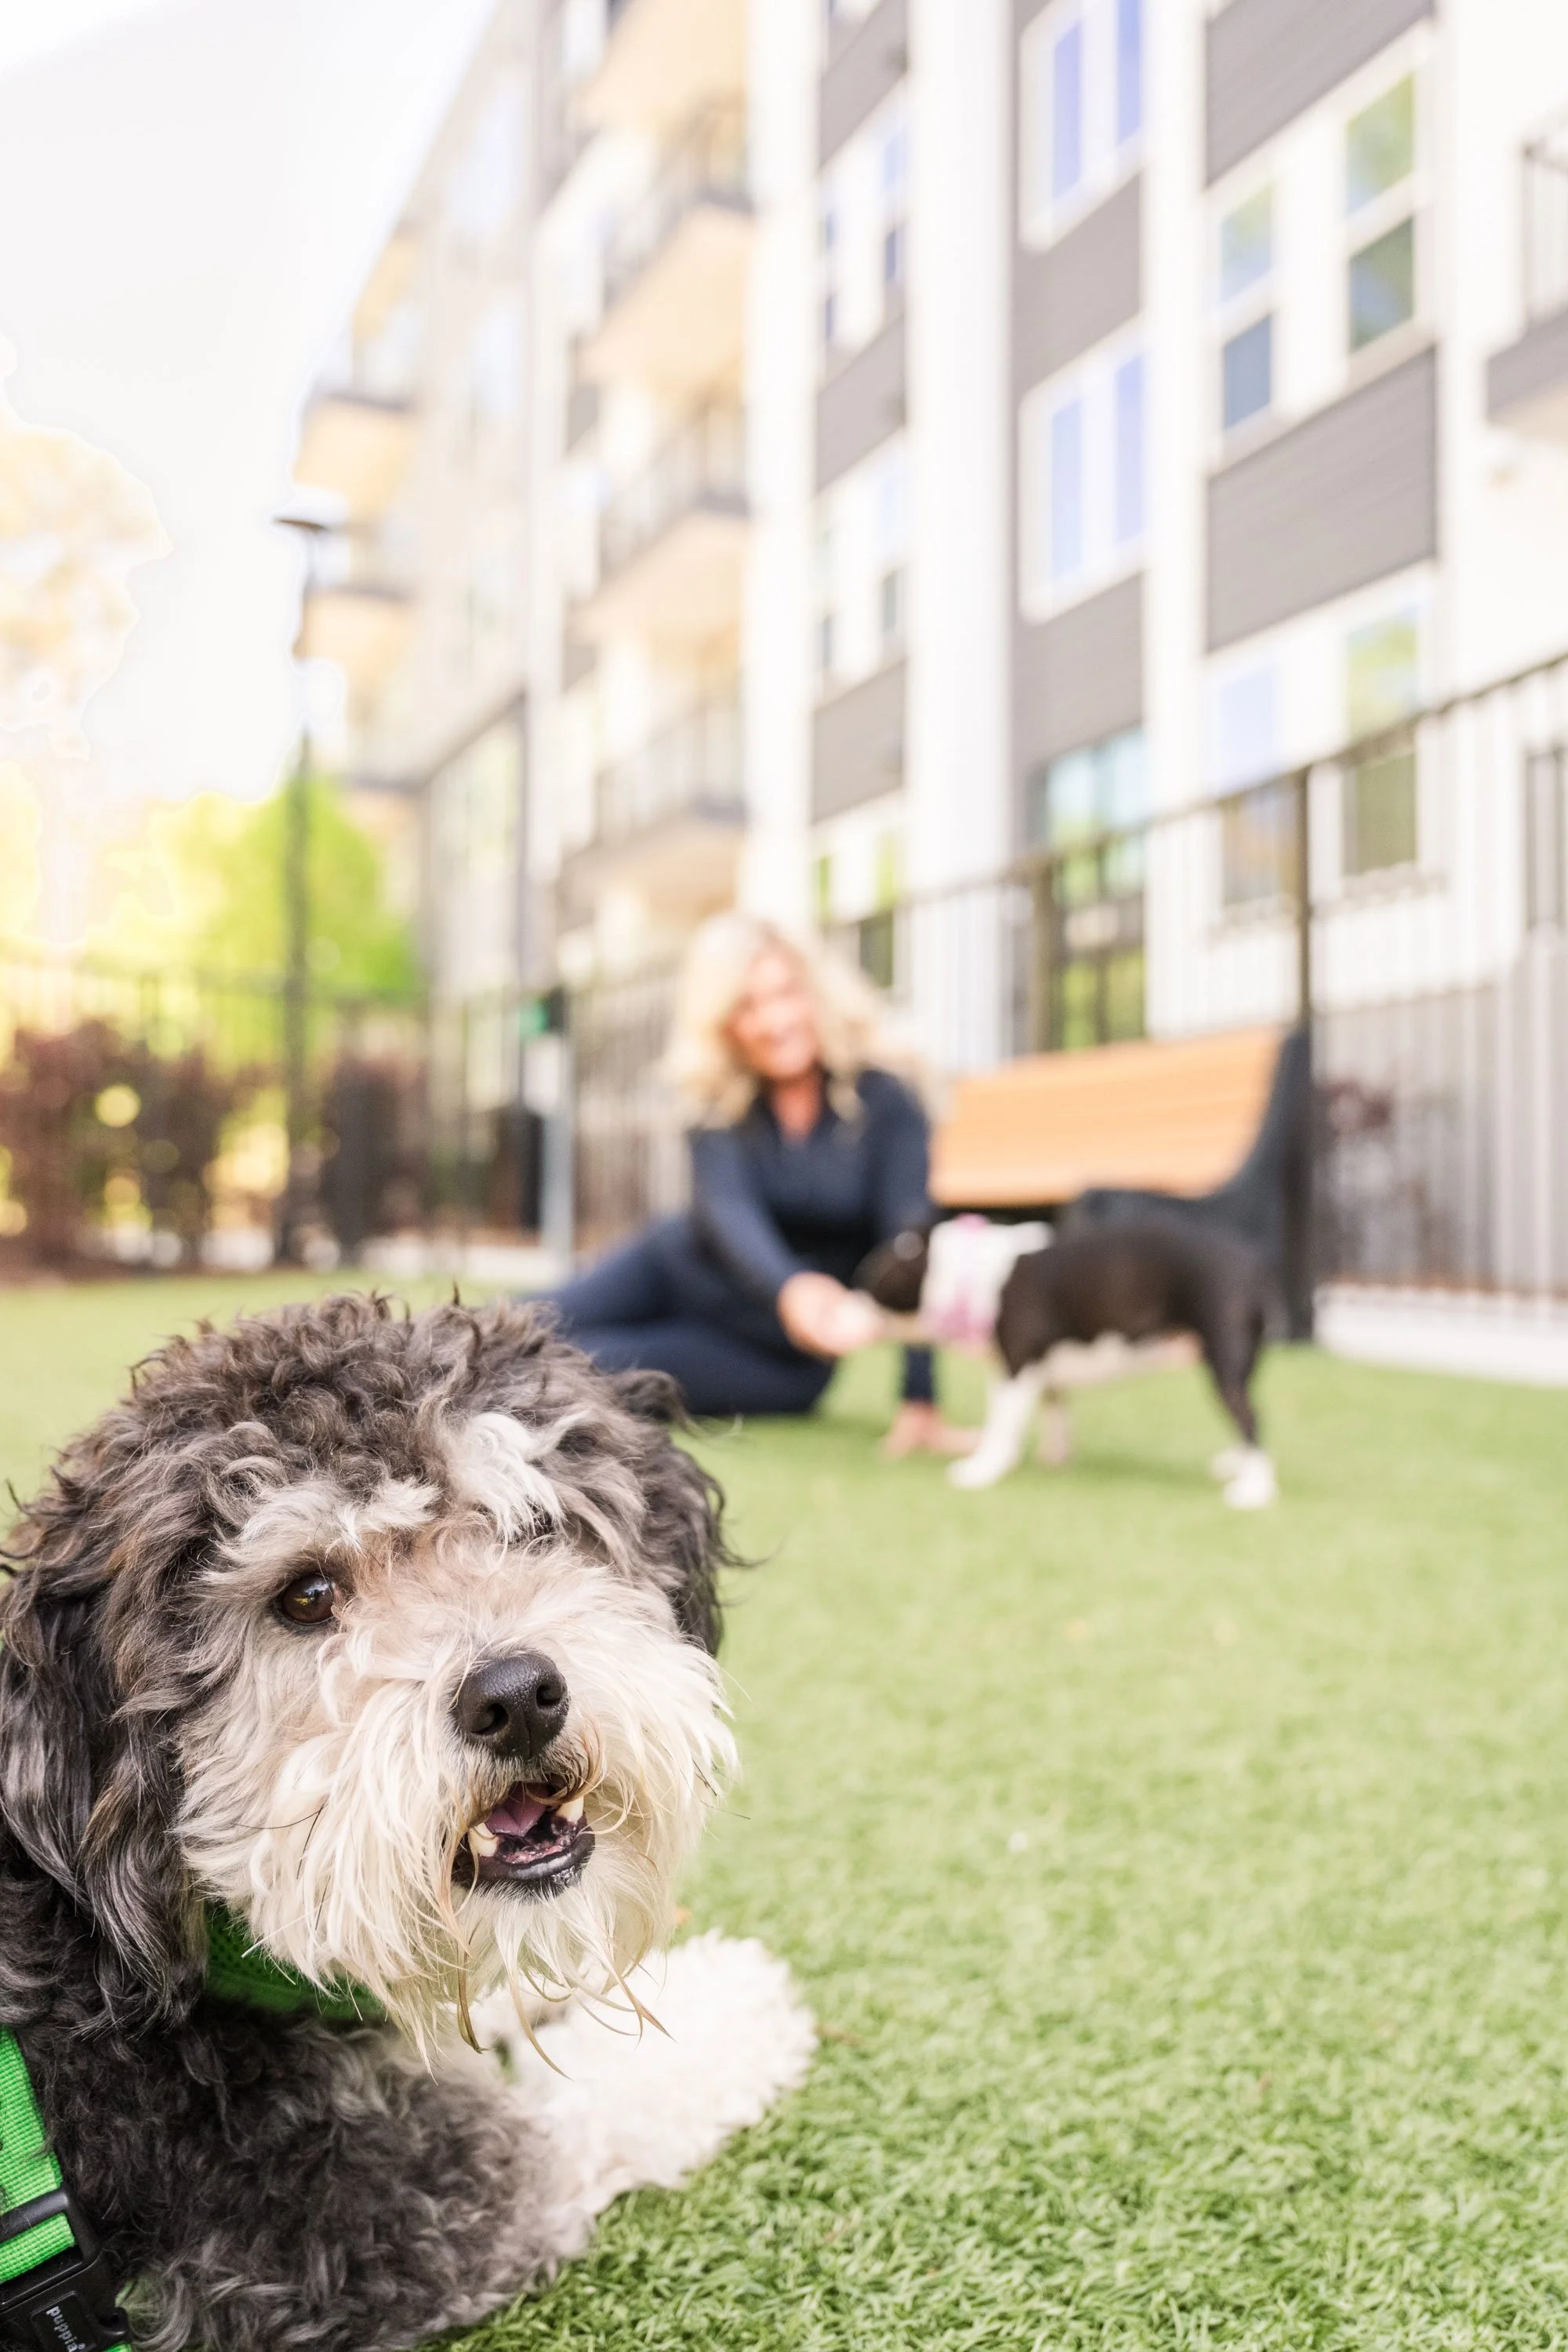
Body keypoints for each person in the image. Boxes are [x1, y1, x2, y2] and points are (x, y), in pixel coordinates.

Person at [540, 914, 969, 1457]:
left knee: (571, 1368)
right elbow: (728, 1209)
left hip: (773, 1355)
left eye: (786, 993)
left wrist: (920, 1397)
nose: (774, 1019)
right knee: (518, 1325)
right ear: (724, 1024)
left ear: (814, 993)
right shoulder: (716, 1101)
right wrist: (789, 1288)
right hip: (676, 1271)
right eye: (747, 1006)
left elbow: (910, 1243)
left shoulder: (889, 1102)